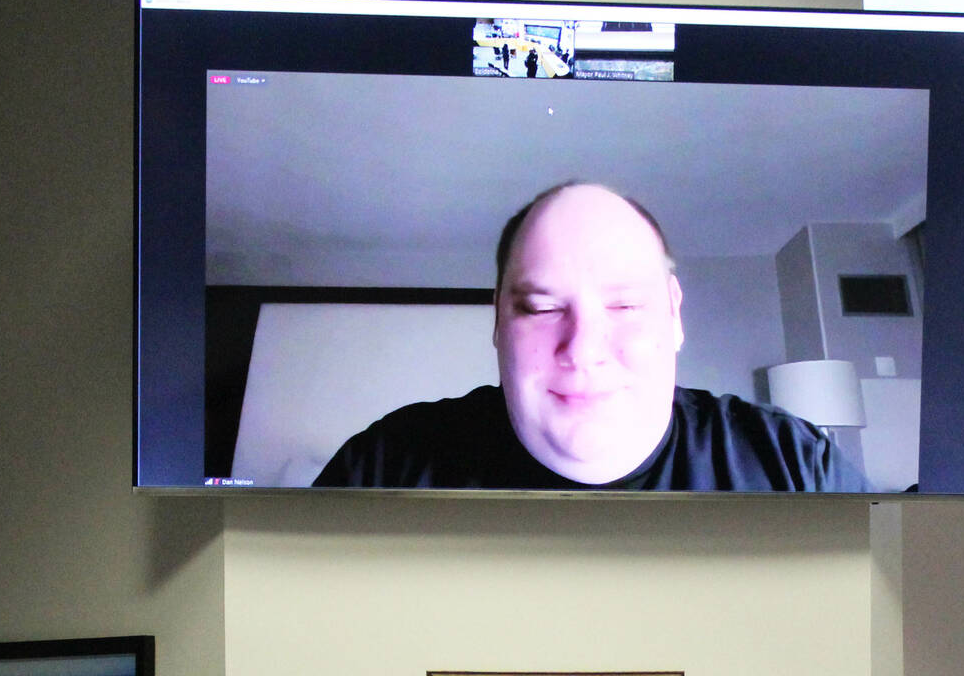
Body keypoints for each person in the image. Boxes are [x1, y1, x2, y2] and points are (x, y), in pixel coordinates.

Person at [312, 182, 869, 491]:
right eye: (540, 307)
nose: (582, 348)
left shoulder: (792, 465)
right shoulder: (384, 467)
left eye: (624, 304)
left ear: (674, 315)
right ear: (498, 323)